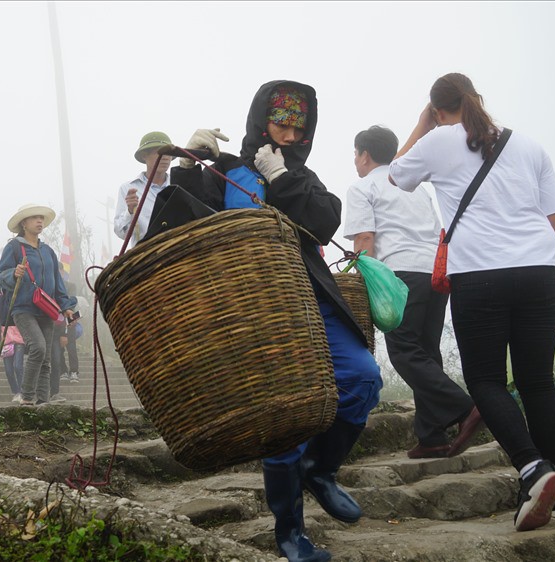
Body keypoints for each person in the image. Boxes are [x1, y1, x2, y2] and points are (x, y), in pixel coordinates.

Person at [173, 80, 382, 562]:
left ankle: (321, 468)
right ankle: (290, 532)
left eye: (296, 128)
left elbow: (327, 221)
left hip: (309, 298)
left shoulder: (301, 176)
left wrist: (283, 178)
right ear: (260, 122)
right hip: (253, 314)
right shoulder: (224, 172)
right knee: (283, 420)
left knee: (362, 377)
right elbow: (181, 220)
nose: (288, 135)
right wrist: (187, 164)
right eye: (280, 124)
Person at [389, 72, 555, 532]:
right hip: (540, 272)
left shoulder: (440, 138)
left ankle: (533, 468)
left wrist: (424, 124)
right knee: (538, 382)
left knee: (486, 381)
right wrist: (530, 255)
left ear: (437, 109)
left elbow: (395, 174)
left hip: (480, 276)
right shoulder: (527, 144)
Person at [343, 125, 480, 459]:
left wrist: (362, 280)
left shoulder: (362, 187)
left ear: (364, 154)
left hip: (399, 273)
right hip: (435, 272)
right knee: (426, 351)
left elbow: (364, 241)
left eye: (356, 155)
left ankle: (466, 408)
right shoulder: (415, 187)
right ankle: (431, 436)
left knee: (404, 351)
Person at [0, 204, 77, 406]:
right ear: (24, 223)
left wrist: (66, 305)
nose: (39, 221)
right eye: (34, 218)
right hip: (23, 308)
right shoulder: (14, 247)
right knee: (38, 348)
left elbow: (57, 281)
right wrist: (13, 273)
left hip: (47, 309)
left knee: (46, 358)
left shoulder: (48, 251)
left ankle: (42, 400)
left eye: (41, 218)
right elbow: (0, 274)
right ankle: (27, 396)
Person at [114, 132, 173, 249]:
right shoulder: (128, 189)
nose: (165, 157)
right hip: (146, 259)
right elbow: (121, 232)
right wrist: (130, 211)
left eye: (168, 153)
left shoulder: (179, 185)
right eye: (159, 152)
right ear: (144, 156)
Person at [1, 324, 25, 403]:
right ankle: (15, 391)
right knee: (8, 370)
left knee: (18, 366)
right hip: (6, 343)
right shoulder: (1, 314)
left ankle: (22, 392)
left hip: (19, 341)